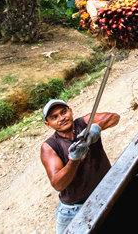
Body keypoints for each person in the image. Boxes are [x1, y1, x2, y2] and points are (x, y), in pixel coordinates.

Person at [40, 99, 120, 234]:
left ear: (70, 111)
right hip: (74, 210)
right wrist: (74, 160)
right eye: (54, 117)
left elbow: (114, 118)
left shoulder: (84, 123)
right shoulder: (49, 147)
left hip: (104, 193)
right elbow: (58, 184)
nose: (61, 118)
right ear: (48, 124)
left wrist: (96, 127)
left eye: (63, 112)